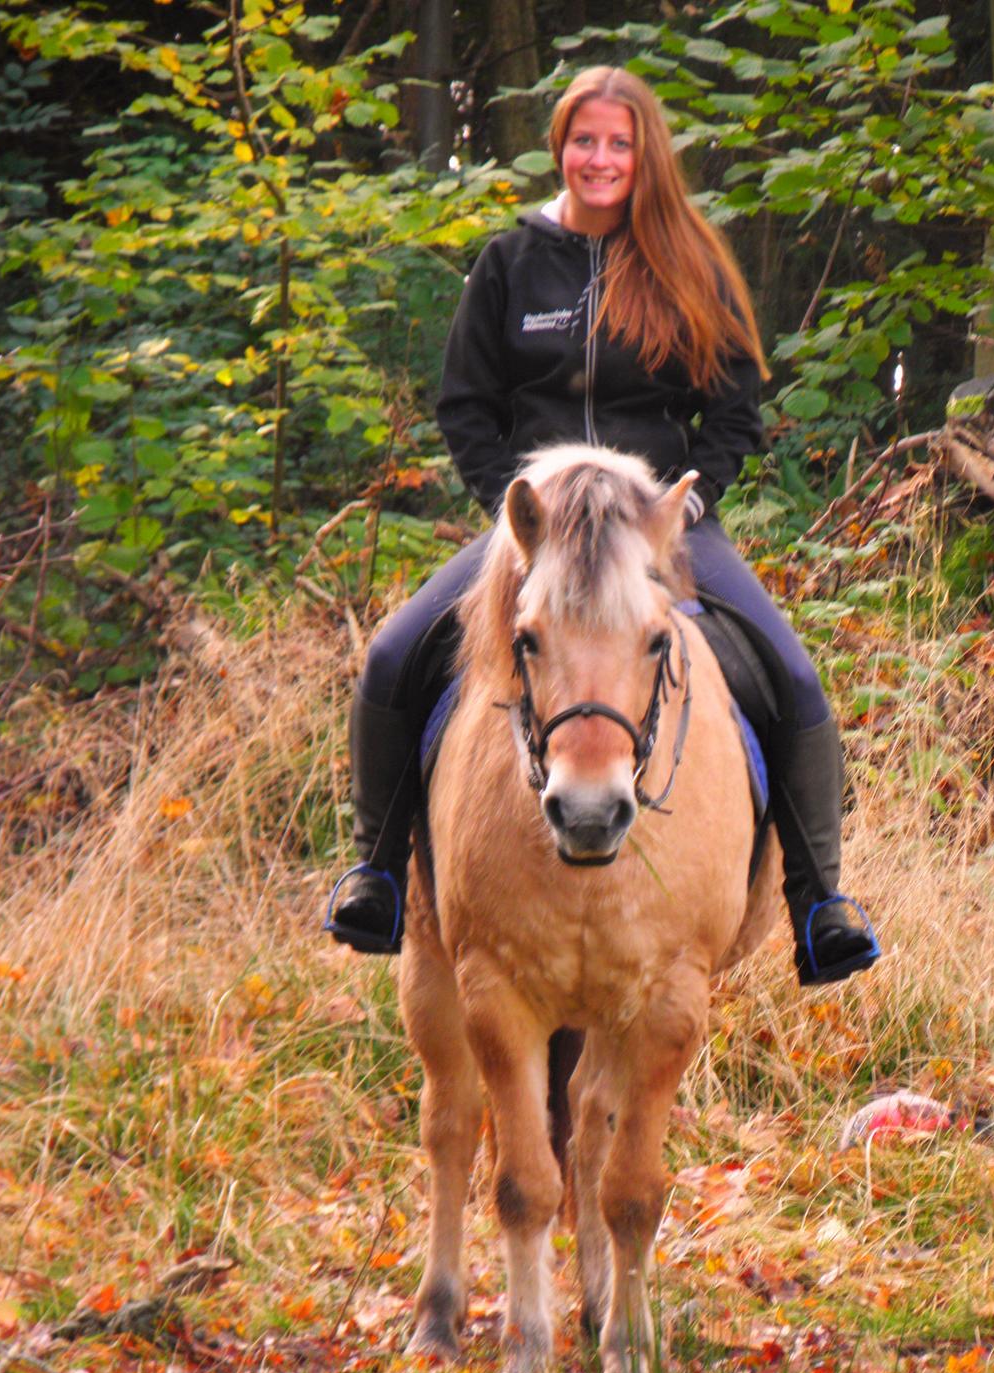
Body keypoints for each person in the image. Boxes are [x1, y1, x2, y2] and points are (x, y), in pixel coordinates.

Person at [327, 65, 879, 987]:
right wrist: (520, 515)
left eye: (619, 143)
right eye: (586, 140)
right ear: (561, 148)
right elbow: (466, 406)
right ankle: (376, 874)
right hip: (537, 532)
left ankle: (820, 901)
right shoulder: (509, 262)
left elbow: (736, 415)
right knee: (392, 656)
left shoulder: (690, 264)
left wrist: (683, 512)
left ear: (645, 155)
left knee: (792, 673)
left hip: (659, 527)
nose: (601, 158)